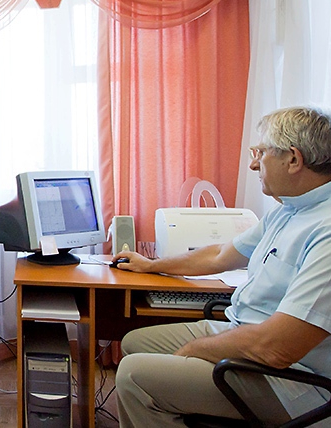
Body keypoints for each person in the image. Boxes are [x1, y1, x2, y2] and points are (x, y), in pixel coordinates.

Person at [110, 106, 331, 427]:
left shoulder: (325, 230)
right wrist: (151, 265)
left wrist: (195, 350)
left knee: (134, 375)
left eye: (261, 153)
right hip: (247, 337)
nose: (254, 164)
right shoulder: (289, 210)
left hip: (292, 382)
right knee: (134, 343)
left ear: (293, 159)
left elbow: (277, 347)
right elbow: (220, 255)